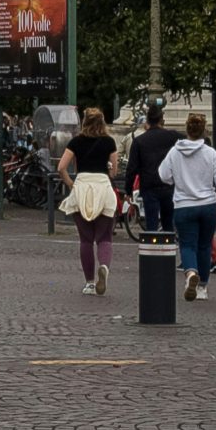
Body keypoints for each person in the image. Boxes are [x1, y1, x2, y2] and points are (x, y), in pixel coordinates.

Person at [165, 112, 216, 301]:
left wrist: (177, 180)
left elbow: (163, 174)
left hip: (183, 204)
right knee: (204, 246)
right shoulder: (210, 153)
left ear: (187, 130)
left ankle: (190, 273)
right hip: (207, 205)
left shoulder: (175, 152)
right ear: (204, 131)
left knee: (187, 244)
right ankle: (202, 287)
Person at [56, 106, 122, 295]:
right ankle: (104, 266)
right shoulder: (109, 142)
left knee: (86, 240)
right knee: (104, 237)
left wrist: (71, 184)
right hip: (102, 186)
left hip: (82, 186)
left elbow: (62, 167)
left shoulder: (76, 141)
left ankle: (90, 283)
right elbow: (114, 171)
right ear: (102, 122)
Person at [126, 102, 180, 235]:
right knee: (168, 224)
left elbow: (132, 168)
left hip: (149, 186)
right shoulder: (172, 137)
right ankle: (169, 250)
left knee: (151, 223)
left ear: (148, 120)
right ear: (162, 120)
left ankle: (152, 251)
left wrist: (128, 190)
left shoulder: (139, 141)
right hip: (169, 186)